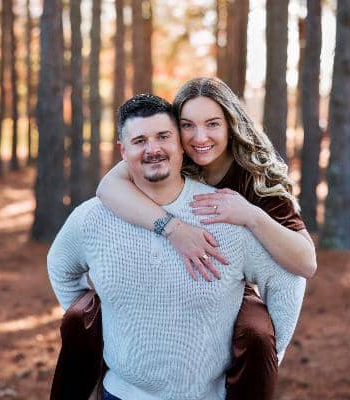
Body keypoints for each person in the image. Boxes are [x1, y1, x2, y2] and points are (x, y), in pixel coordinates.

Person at [48, 94, 306, 400]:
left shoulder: (223, 212)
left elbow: (287, 278)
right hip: (119, 393)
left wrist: (268, 356)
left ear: (181, 145)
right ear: (123, 150)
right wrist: (97, 330)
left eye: (163, 136)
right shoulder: (92, 218)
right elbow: (60, 266)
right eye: (139, 140)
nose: (153, 149)